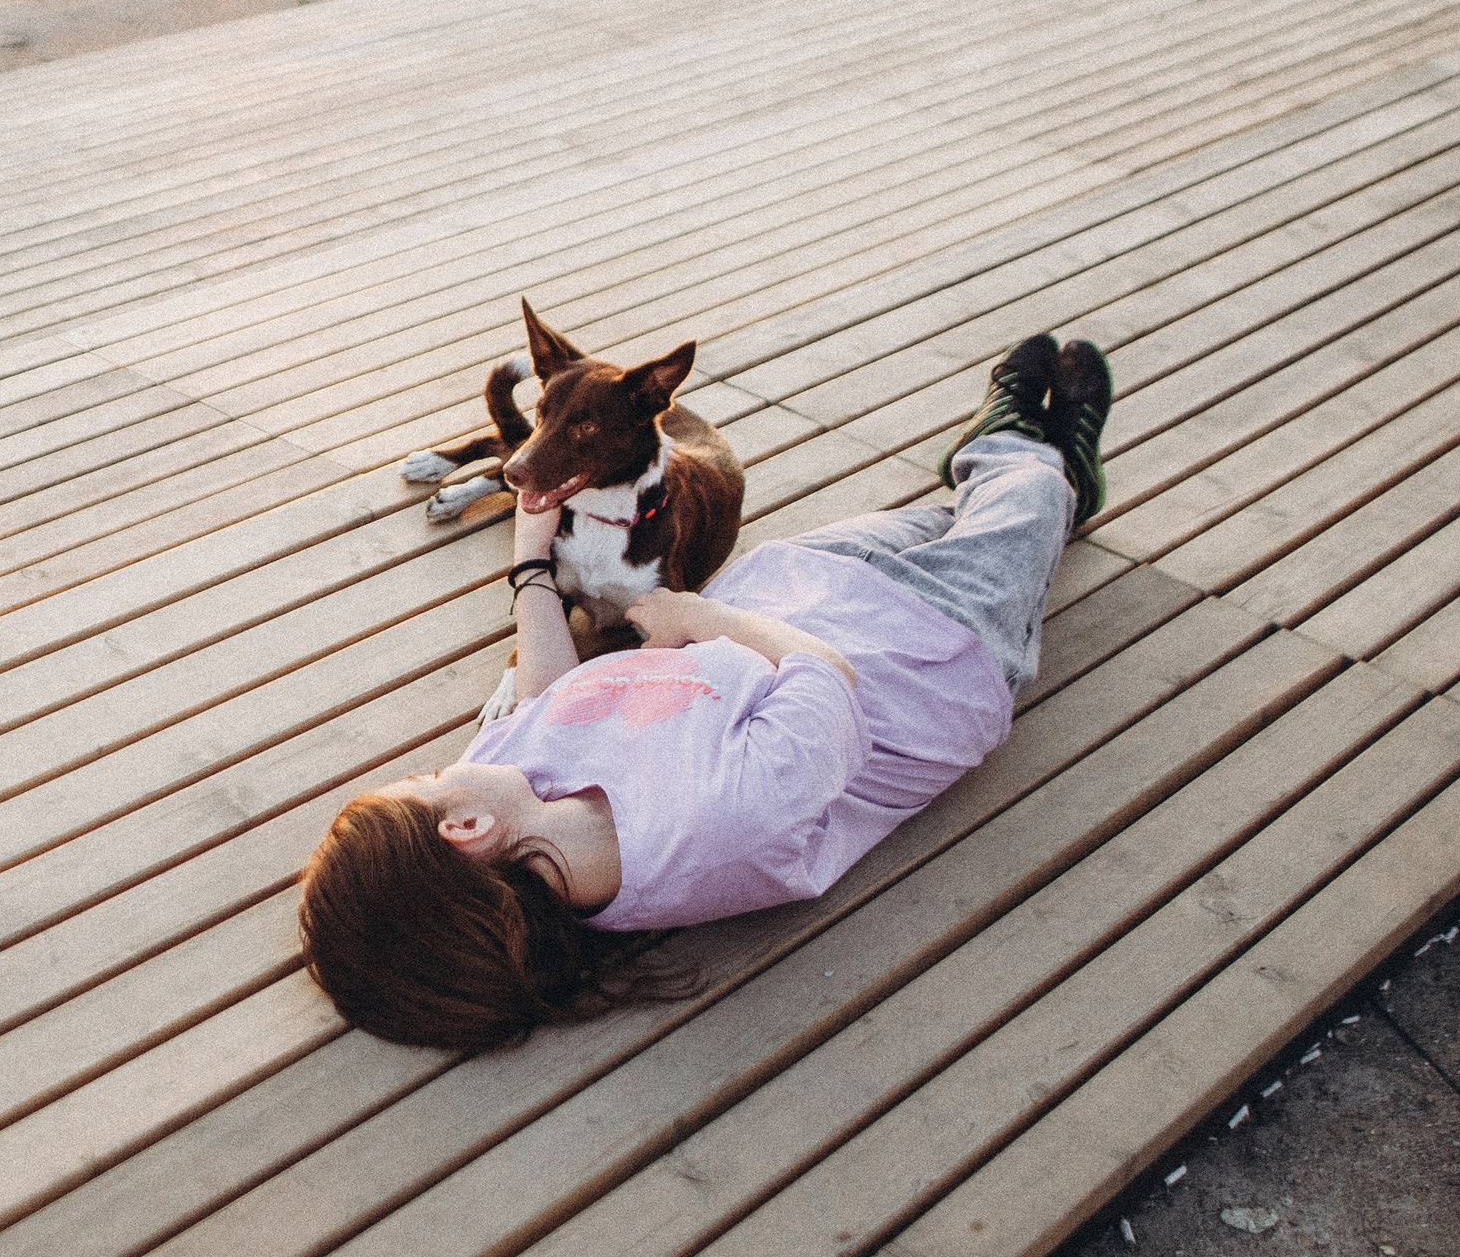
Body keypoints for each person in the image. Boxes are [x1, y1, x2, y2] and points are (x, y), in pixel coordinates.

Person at [298, 335, 1115, 1052]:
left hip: (800, 580)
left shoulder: (516, 805)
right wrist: (695, 617)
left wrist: (532, 562)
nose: (447, 765)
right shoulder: (720, 829)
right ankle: (1029, 445)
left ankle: (1013, 471)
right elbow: (826, 677)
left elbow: (547, 703)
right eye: (430, 780)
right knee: (1027, 494)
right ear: (466, 829)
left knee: (954, 516)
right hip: (931, 651)